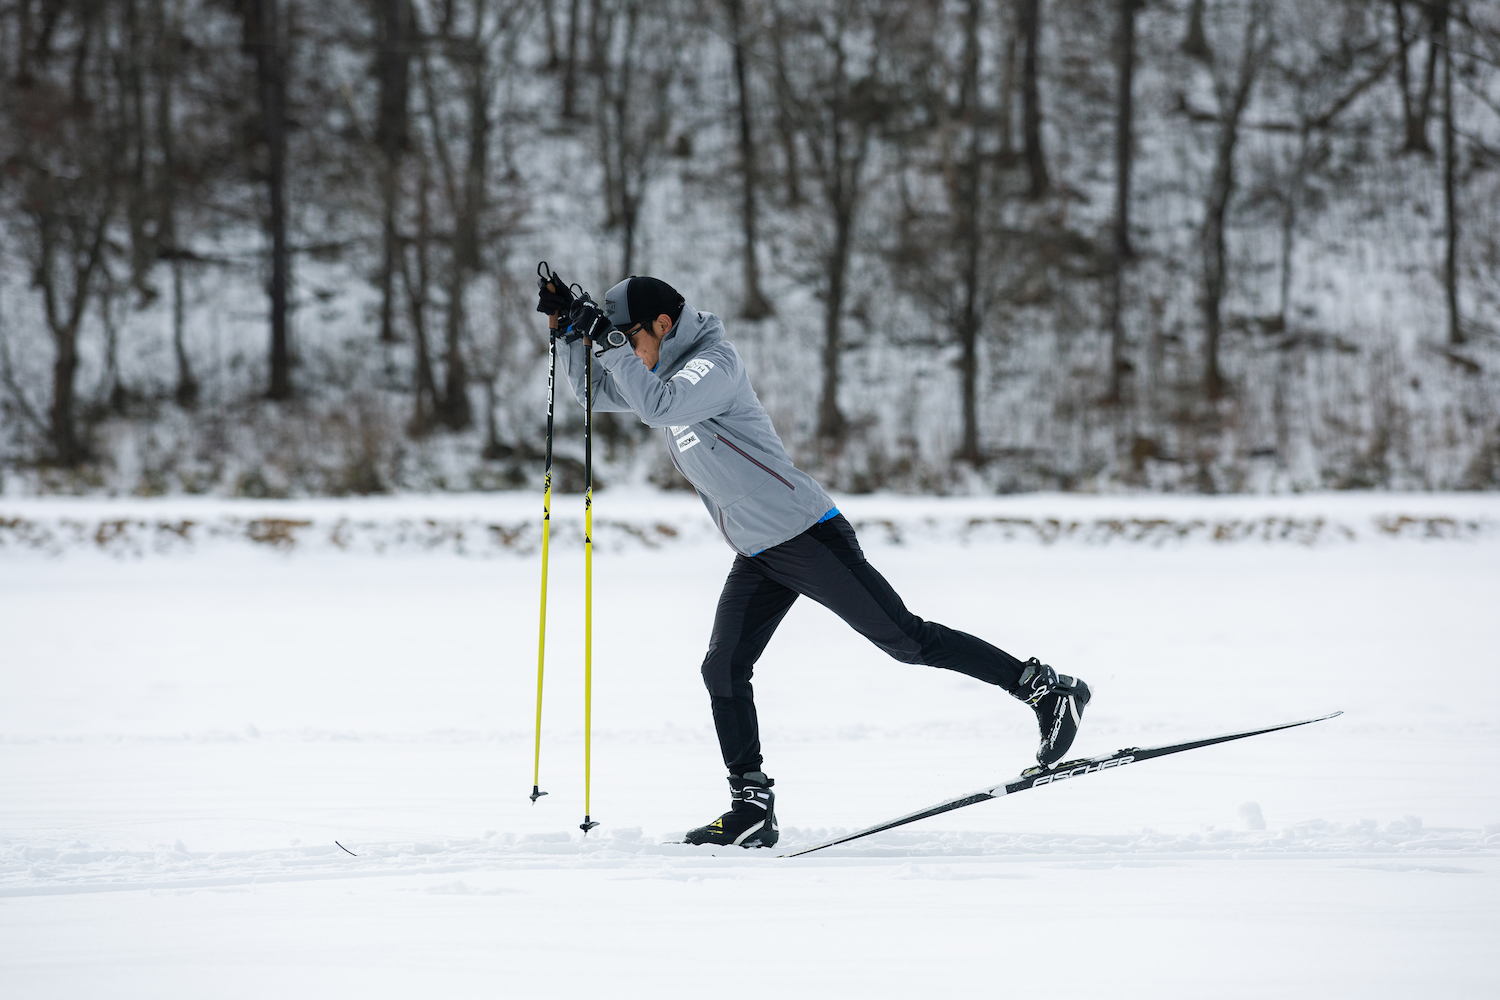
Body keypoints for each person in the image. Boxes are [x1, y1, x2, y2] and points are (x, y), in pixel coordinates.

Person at [537, 272, 1090, 849]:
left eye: (632, 338)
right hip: (757, 553)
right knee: (722, 668)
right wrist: (569, 331)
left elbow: (656, 408)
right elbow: (591, 393)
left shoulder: (712, 364)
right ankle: (751, 807)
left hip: (807, 534)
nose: (630, 350)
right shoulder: (658, 370)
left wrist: (611, 343)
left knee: (906, 640)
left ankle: (1045, 690)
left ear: (662, 325)